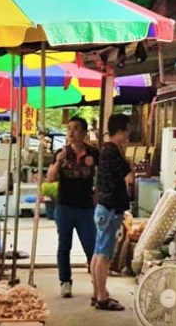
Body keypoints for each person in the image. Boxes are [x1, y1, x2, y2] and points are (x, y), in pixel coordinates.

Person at [46, 115, 99, 299]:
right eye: (69, 128)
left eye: (76, 128)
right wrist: (59, 161)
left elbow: (103, 176)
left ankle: (97, 282)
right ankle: (65, 281)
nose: (71, 132)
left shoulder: (93, 153)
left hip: (86, 208)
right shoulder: (61, 152)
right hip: (64, 206)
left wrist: (98, 196)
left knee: (91, 246)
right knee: (64, 246)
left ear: (84, 133)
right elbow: (50, 178)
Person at [92, 113, 133, 311]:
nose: (128, 134)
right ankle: (101, 296)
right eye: (127, 129)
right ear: (122, 130)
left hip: (103, 206)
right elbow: (130, 177)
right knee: (104, 255)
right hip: (110, 209)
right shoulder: (113, 152)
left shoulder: (105, 150)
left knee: (98, 252)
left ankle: (97, 292)